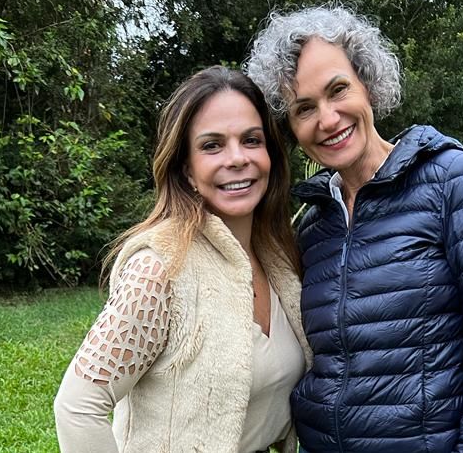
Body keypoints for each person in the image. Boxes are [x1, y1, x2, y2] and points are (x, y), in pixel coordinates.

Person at [245, 5, 463, 453]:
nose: (328, 119)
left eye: (338, 89)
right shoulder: (313, 227)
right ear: (292, 127)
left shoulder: (451, 181)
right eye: (304, 108)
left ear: (368, 84)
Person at [53, 65, 312, 453]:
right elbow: (77, 407)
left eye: (251, 140)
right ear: (187, 169)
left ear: (269, 154)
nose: (237, 158)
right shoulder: (161, 267)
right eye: (212, 145)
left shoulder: (278, 261)